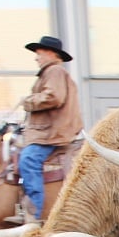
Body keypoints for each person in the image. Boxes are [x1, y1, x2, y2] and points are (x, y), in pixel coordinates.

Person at [16, 36, 84, 221]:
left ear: (50, 53)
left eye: (38, 53)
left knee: (28, 159)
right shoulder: (53, 72)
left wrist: (27, 101)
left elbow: (54, 97)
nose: (36, 58)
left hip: (51, 133)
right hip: (49, 131)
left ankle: (33, 214)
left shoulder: (54, 71)